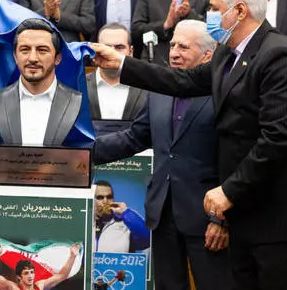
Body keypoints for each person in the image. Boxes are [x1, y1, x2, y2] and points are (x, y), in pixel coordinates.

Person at [91, 0, 287, 290]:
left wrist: (228, 190)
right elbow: (182, 81)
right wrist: (121, 64)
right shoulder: (227, 54)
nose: (210, 16)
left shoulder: (279, 54)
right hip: (248, 217)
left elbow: (279, 138)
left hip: (283, 218)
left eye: (215, 8)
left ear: (239, 10)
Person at [94, 20, 234, 290]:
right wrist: (85, 153)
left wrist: (221, 219)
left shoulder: (224, 93)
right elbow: (134, 137)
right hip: (162, 214)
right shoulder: (160, 89)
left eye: (184, 47)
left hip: (207, 218)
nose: (174, 53)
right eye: (172, 45)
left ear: (208, 55)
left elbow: (232, 160)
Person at [0, 19, 83, 146]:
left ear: (57, 58)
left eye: (42, 50)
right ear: (15, 57)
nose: (33, 58)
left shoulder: (77, 101)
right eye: (25, 50)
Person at [86, 23, 146, 121]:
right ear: (95, 51)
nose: (112, 53)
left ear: (131, 52)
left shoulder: (147, 89)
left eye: (119, 47)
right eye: (106, 47)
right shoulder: (78, 85)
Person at [0, 241, 81, 290]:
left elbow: (62, 275)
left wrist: (72, 256)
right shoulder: (13, 288)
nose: (30, 276)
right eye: (26, 273)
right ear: (19, 277)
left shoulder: (40, 285)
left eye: (32, 272)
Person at [93, 180, 149, 253]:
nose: (105, 201)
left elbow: (147, 239)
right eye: (100, 197)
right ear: (92, 199)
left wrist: (126, 212)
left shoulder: (126, 223)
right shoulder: (85, 223)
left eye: (109, 197)